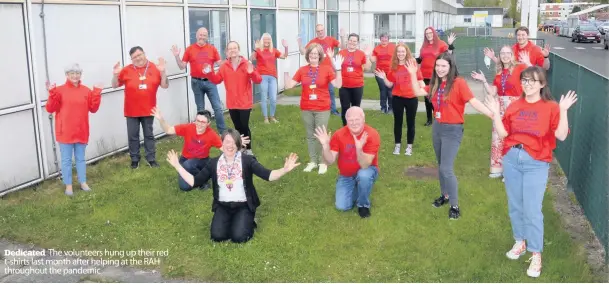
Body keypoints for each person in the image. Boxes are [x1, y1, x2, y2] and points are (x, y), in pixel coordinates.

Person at [484, 66, 577, 278]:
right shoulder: (515, 106)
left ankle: (536, 253)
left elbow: (561, 136)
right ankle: (520, 242)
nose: (527, 84)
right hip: (512, 159)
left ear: (542, 84)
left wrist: (563, 110)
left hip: (536, 162)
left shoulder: (551, 107)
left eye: (532, 80)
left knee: (532, 209)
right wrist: (496, 114)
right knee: (515, 205)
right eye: (524, 80)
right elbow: (503, 133)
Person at [166, 129, 301, 243]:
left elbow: (268, 175)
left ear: (238, 145)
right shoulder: (214, 163)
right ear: (222, 143)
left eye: (233, 142)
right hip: (223, 206)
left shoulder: (248, 161)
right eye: (227, 142)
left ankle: (248, 220)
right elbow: (195, 182)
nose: (230, 146)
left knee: (239, 238)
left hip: (243, 205)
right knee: (217, 237)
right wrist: (178, 166)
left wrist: (284, 170)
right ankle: (233, 221)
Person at [409, 53, 494, 220]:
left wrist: (491, 114)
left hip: (453, 130)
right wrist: (413, 73)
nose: (440, 69)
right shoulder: (435, 83)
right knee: (441, 165)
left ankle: (455, 205)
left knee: (446, 168)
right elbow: (416, 91)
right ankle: (444, 195)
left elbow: (473, 101)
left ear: (450, 67)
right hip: (437, 128)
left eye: (444, 66)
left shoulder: (458, 83)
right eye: (438, 66)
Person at [151, 107, 250, 191]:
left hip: (202, 160)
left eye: (203, 122)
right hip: (185, 159)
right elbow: (168, 130)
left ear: (208, 123)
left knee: (188, 165)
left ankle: (205, 175)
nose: (199, 124)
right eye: (197, 120)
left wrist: (236, 142)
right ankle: (204, 177)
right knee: (184, 187)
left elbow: (225, 149)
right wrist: (161, 119)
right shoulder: (189, 127)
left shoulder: (211, 134)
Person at [284, 43, 343, 175]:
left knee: (320, 136)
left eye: (316, 54)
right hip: (306, 107)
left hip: (322, 107)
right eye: (311, 54)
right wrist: (286, 70)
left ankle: (323, 162)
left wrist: (338, 69)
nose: (313, 56)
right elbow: (288, 86)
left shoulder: (327, 69)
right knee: (310, 136)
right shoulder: (302, 70)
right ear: (308, 56)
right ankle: (313, 161)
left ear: (320, 56)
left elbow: (338, 84)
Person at [45, 64, 102, 196]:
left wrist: (97, 92)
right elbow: (50, 108)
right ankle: (68, 185)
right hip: (65, 131)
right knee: (66, 160)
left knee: (80, 158)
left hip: (81, 130)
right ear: (67, 75)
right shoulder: (59, 90)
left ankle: (83, 182)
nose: (75, 76)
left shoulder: (86, 91)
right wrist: (52, 93)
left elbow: (93, 108)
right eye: (72, 73)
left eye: (77, 73)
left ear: (80, 75)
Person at [471, 45, 527, 178]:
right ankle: (498, 169)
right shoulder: (499, 74)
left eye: (508, 53)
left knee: (514, 139)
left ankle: (512, 171)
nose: (505, 55)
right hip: (501, 108)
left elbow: (533, 78)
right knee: (498, 138)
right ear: (500, 56)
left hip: (516, 107)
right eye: (503, 53)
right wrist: (484, 80)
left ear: (512, 55)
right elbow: (493, 92)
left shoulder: (520, 68)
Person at [314, 107, 380, 218]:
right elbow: (329, 161)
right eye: (350, 120)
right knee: (342, 206)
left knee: (363, 175)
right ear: (346, 121)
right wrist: (325, 146)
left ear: (363, 119)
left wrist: (359, 149)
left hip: (367, 170)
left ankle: (363, 205)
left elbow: (365, 165)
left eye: (357, 119)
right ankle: (358, 188)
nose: (354, 123)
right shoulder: (339, 134)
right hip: (346, 175)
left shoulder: (372, 134)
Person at [112, 46, 169, 169]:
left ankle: (151, 158)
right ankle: (135, 159)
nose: (138, 58)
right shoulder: (127, 70)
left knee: (149, 134)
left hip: (149, 108)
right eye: (134, 57)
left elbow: (165, 85)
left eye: (139, 55)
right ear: (131, 59)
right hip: (131, 110)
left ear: (144, 54)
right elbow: (115, 85)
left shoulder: (154, 67)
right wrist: (115, 75)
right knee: (133, 135)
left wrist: (163, 72)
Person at [206, 41, 262, 156]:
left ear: (238, 50)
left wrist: (251, 73)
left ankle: (248, 150)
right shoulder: (224, 66)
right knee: (237, 128)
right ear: (227, 52)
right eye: (230, 49)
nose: (232, 50)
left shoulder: (246, 64)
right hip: (232, 103)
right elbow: (216, 80)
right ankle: (241, 148)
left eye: (234, 48)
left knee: (244, 126)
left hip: (244, 102)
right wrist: (209, 73)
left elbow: (258, 80)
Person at [171, 27, 227, 134]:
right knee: (200, 109)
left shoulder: (212, 49)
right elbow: (182, 66)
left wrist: (229, 58)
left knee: (218, 108)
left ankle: (222, 132)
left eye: (204, 35)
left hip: (210, 81)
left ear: (207, 37)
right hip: (196, 83)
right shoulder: (190, 49)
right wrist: (177, 56)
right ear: (196, 35)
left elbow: (220, 63)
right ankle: (201, 132)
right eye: (200, 34)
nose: (202, 37)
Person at [375, 43, 425, 156]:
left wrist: (425, 90)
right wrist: (383, 78)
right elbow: (389, 84)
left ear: (407, 52)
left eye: (403, 51)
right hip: (397, 98)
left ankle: (409, 147)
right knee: (398, 123)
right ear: (396, 54)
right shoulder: (393, 66)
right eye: (398, 52)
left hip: (411, 98)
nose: (401, 54)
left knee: (410, 123)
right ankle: (397, 145)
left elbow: (420, 80)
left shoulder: (412, 65)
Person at [298, 24, 345, 116]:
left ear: (324, 30)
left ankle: (333, 110)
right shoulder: (313, 41)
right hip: (316, 71)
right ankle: (319, 109)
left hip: (328, 70)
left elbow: (342, 46)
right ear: (316, 32)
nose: (320, 32)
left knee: (330, 91)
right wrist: (299, 43)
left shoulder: (331, 39)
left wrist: (342, 37)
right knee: (317, 90)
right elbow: (303, 52)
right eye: (318, 31)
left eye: (321, 30)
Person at [417, 27, 456, 126]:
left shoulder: (441, 44)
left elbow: (448, 55)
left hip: (436, 75)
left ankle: (438, 117)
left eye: (430, 33)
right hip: (424, 75)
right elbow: (420, 59)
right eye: (427, 33)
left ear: (434, 33)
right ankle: (429, 119)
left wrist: (450, 44)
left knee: (436, 97)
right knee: (427, 98)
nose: (429, 35)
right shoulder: (424, 46)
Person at [250, 33, 288, 124]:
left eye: (268, 39)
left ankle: (272, 116)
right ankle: (266, 118)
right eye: (265, 39)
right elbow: (251, 58)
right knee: (264, 97)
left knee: (273, 98)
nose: (267, 41)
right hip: (262, 76)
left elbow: (284, 56)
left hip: (273, 77)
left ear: (270, 41)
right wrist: (255, 49)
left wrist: (286, 47)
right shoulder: (259, 50)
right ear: (262, 40)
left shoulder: (273, 50)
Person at [337, 33, 372, 126]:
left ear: (357, 43)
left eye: (354, 41)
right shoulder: (341, 53)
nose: (352, 42)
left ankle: (355, 127)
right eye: (350, 40)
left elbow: (368, 68)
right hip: (344, 85)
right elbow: (336, 67)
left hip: (357, 86)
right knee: (345, 107)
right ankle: (346, 127)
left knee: (356, 108)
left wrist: (367, 55)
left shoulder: (361, 54)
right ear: (347, 41)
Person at [484, 27, 550, 70]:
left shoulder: (536, 49)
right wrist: (492, 57)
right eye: (518, 35)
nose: (520, 37)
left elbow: (546, 68)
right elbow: (504, 63)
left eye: (523, 35)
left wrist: (546, 57)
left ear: (528, 35)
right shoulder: (513, 48)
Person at [371, 32, 396, 114]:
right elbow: (373, 60)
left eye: (386, 38)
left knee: (390, 90)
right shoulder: (377, 48)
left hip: (391, 72)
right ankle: (383, 107)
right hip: (379, 72)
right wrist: (368, 55)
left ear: (388, 39)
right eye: (382, 38)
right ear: (380, 39)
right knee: (383, 90)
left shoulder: (393, 47)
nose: (384, 39)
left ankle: (391, 108)